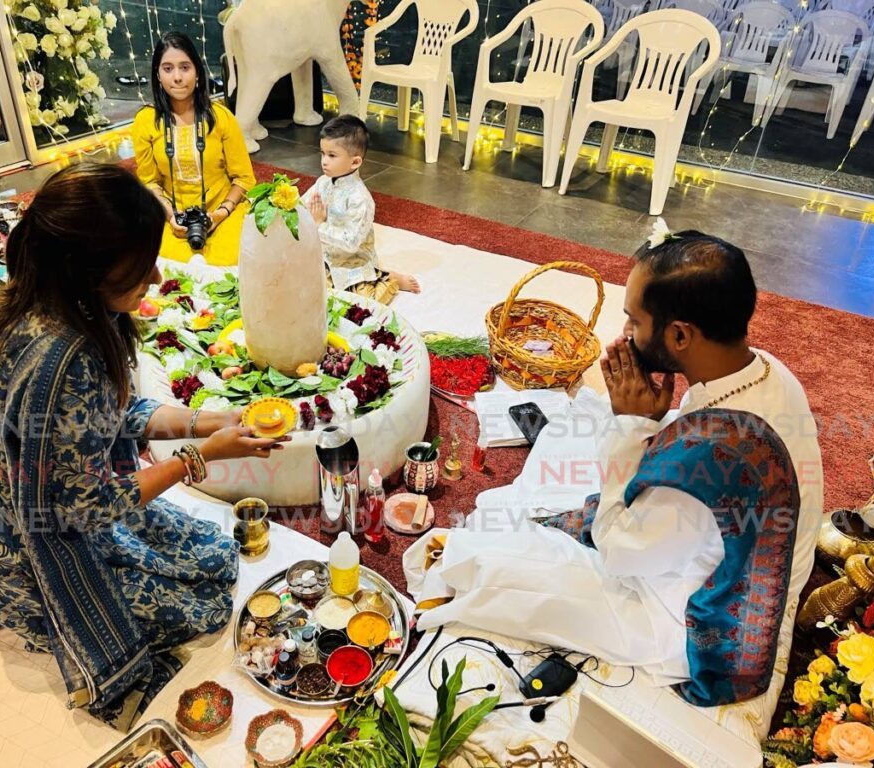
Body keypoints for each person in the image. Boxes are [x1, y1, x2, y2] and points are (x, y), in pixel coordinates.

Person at [405, 226, 823, 707]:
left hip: (694, 617)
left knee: (490, 564)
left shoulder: (711, 454)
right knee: (571, 435)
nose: (625, 335)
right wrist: (646, 427)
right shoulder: (767, 368)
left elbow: (620, 554)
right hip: (738, 552)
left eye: (634, 321)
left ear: (680, 335)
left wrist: (632, 428)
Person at [0, 163, 283, 728]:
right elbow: (84, 508)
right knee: (204, 598)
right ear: (88, 270)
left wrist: (225, 418)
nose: (150, 281)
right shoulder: (65, 355)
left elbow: (116, 419)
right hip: (32, 543)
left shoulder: (32, 301)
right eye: (139, 271)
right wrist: (202, 457)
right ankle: (6, 598)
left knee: (209, 553)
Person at [131, 31, 256, 266]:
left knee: (233, 264)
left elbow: (244, 179)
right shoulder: (145, 121)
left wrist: (220, 214)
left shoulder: (221, 117)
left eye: (185, 67)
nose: (177, 77)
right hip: (170, 216)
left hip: (222, 214)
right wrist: (169, 215)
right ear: (157, 74)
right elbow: (149, 182)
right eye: (168, 69)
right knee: (159, 267)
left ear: (197, 72)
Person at [303, 114, 420, 303]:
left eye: (332, 155)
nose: (324, 161)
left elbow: (351, 243)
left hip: (353, 265)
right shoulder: (322, 183)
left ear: (355, 162)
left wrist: (318, 226)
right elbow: (302, 206)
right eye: (323, 153)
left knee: (358, 305)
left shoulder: (361, 199)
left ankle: (388, 278)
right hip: (324, 257)